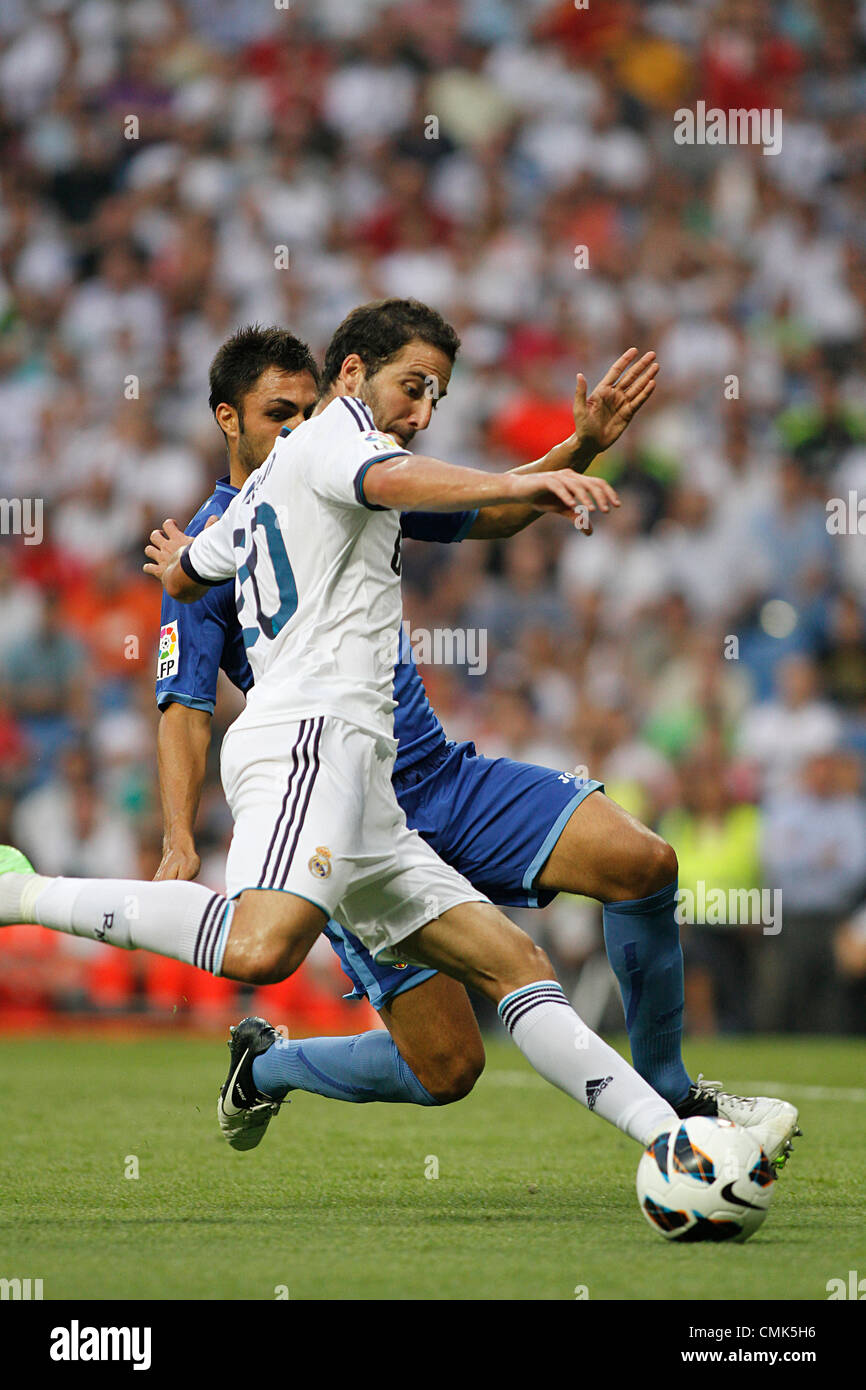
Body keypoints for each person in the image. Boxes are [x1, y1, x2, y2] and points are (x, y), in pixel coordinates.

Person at [0, 299, 797, 1169]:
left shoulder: (286, 481)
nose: (298, 425)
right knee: (375, 1018)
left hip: (409, 772)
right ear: (231, 416)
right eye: (278, 411)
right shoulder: (336, 450)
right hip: (315, 757)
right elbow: (184, 699)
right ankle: (40, 907)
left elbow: (208, 561)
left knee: (572, 921)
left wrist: (574, 452)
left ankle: (675, 1133)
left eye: (435, 397)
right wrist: (179, 840)